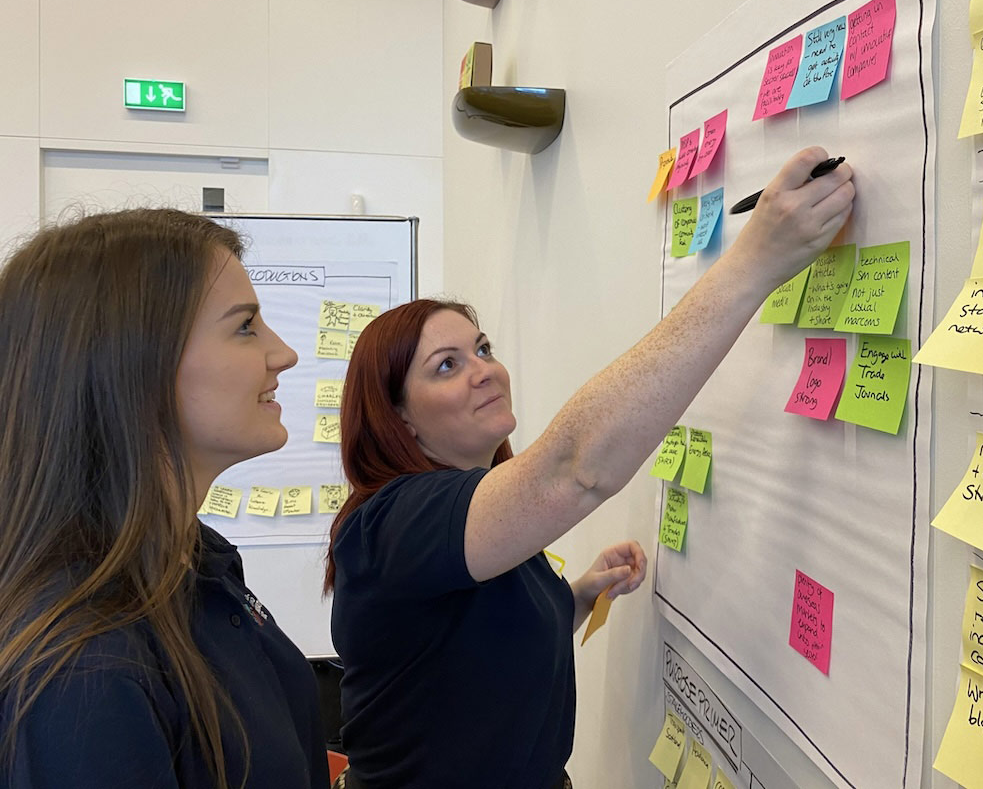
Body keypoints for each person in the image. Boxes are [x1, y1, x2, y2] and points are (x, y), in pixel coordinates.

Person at [325, 146, 855, 789]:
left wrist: (574, 597)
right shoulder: (390, 525)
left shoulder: (481, 517)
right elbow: (576, 469)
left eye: (482, 349)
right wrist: (754, 261)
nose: (485, 370)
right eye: (447, 365)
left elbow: (467, 647)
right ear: (399, 418)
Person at [0, 209, 327, 789]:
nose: (283, 354)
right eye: (246, 325)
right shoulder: (83, 671)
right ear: (135, 362)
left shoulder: (198, 561)